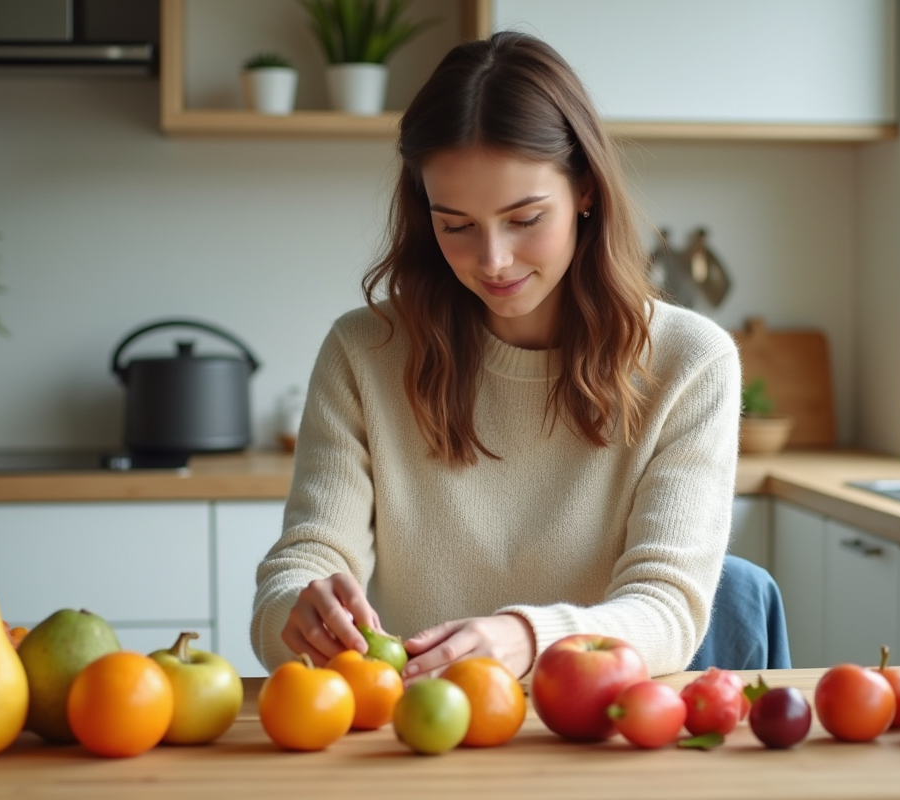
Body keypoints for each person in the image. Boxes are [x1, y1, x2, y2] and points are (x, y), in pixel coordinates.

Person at [250, 31, 742, 683]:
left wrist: (528, 637)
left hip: (598, 738)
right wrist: (298, 609)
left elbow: (667, 613)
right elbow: (304, 563)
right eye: (455, 225)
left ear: (585, 190)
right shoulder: (364, 354)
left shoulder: (689, 362)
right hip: (420, 739)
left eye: (525, 218)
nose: (492, 260)